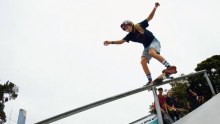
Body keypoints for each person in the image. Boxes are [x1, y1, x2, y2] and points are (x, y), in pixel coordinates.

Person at [103, 2, 176, 85]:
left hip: (154, 42)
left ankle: (168, 67)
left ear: (130, 24)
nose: (126, 29)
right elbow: (121, 41)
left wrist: (155, 8)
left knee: (151, 52)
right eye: (124, 29)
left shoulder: (139, 26)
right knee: (142, 62)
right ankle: (149, 80)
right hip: (146, 47)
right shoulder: (129, 35)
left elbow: (150, 18)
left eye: (126, 27)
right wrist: (110, 42)